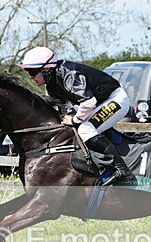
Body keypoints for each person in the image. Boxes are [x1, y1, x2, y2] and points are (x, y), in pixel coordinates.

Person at [18, 46, 134, 186]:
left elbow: (89, 102)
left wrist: (74, 119)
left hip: (115, 100)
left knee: (85, 129)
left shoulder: (69, 74)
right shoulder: (51, 85)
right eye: (27, 72)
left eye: (32, 71)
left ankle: (122, 170)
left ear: (46, 68)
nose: (30, 77)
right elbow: (63, 107)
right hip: (99, 103)